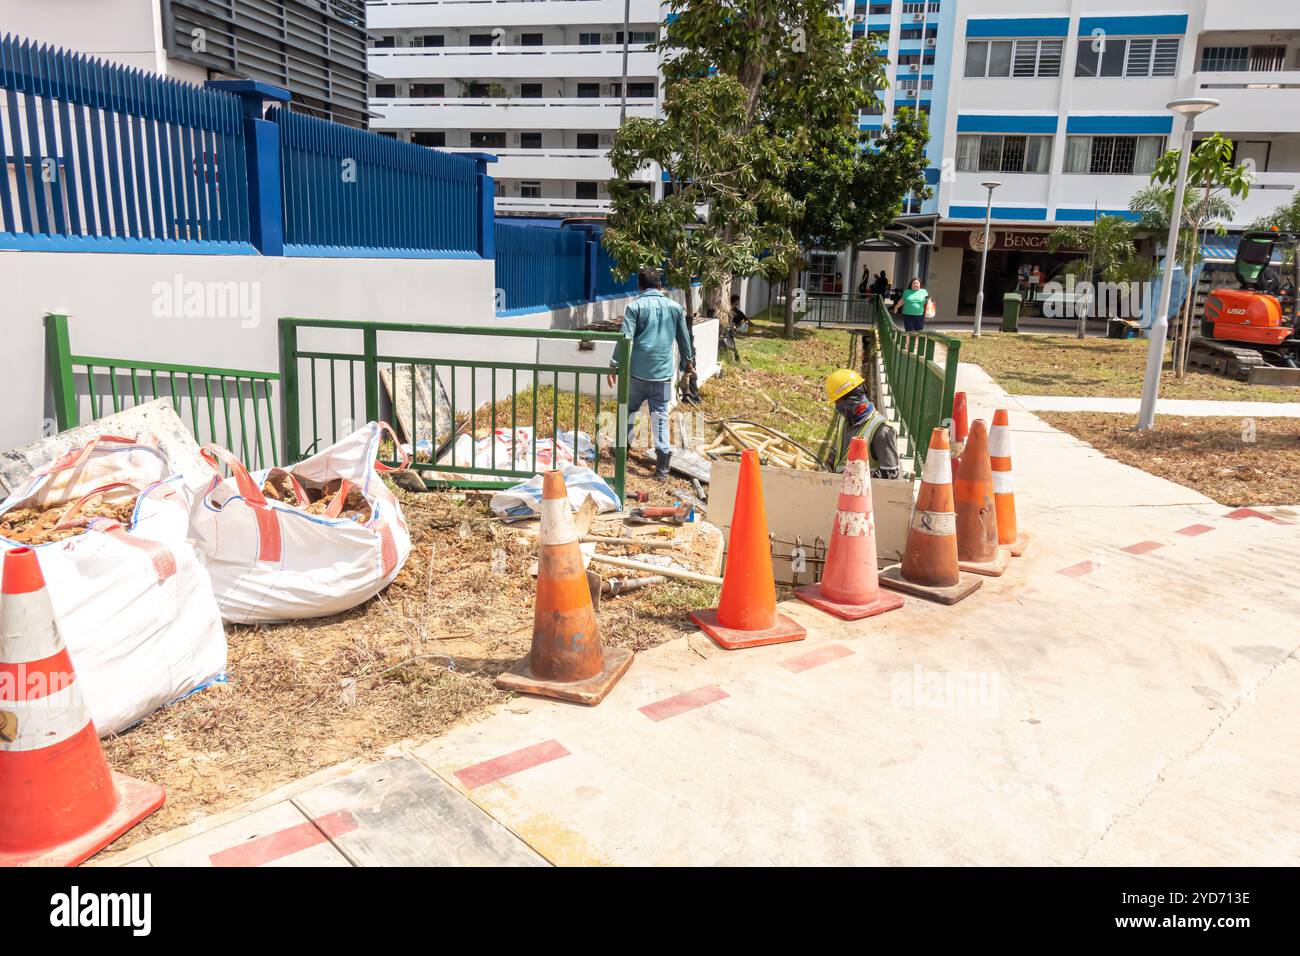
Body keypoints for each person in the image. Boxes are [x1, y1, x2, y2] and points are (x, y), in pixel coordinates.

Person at [607, 268, 695, 479]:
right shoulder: (675, 308)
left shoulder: (635, 307)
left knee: (628, 411)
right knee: (661, 418)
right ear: (659, 286)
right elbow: (684, 339)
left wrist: (614, 365)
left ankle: (622, 452)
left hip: (638, 374)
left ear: (639, 286)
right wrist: (688, 363)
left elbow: (625, 338)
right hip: (663, 376)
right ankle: (662, 470)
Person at [824, 369, 899, 479]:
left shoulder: (882, 430)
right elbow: (842, 446)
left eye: (838, 402)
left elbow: (890, 474)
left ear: (851, 400)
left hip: (866, 495)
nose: (837, 407)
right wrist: (833, 456)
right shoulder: (844, 418)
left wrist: (855, 478)